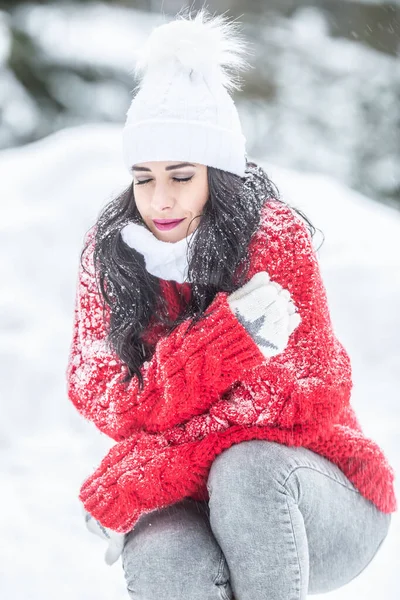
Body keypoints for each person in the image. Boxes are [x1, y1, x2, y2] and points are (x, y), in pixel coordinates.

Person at [66, 8, 396, 600]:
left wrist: (151, 468)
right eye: (144, 178)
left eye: (181, 176)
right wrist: (226, 344)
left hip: (320, 498)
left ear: (217, 174)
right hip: (196, 503)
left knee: (246, 468)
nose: (159, 200)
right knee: (160, 550)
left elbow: (303, 394)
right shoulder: (112, 254)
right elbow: (104, 395)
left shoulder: (272, 241)